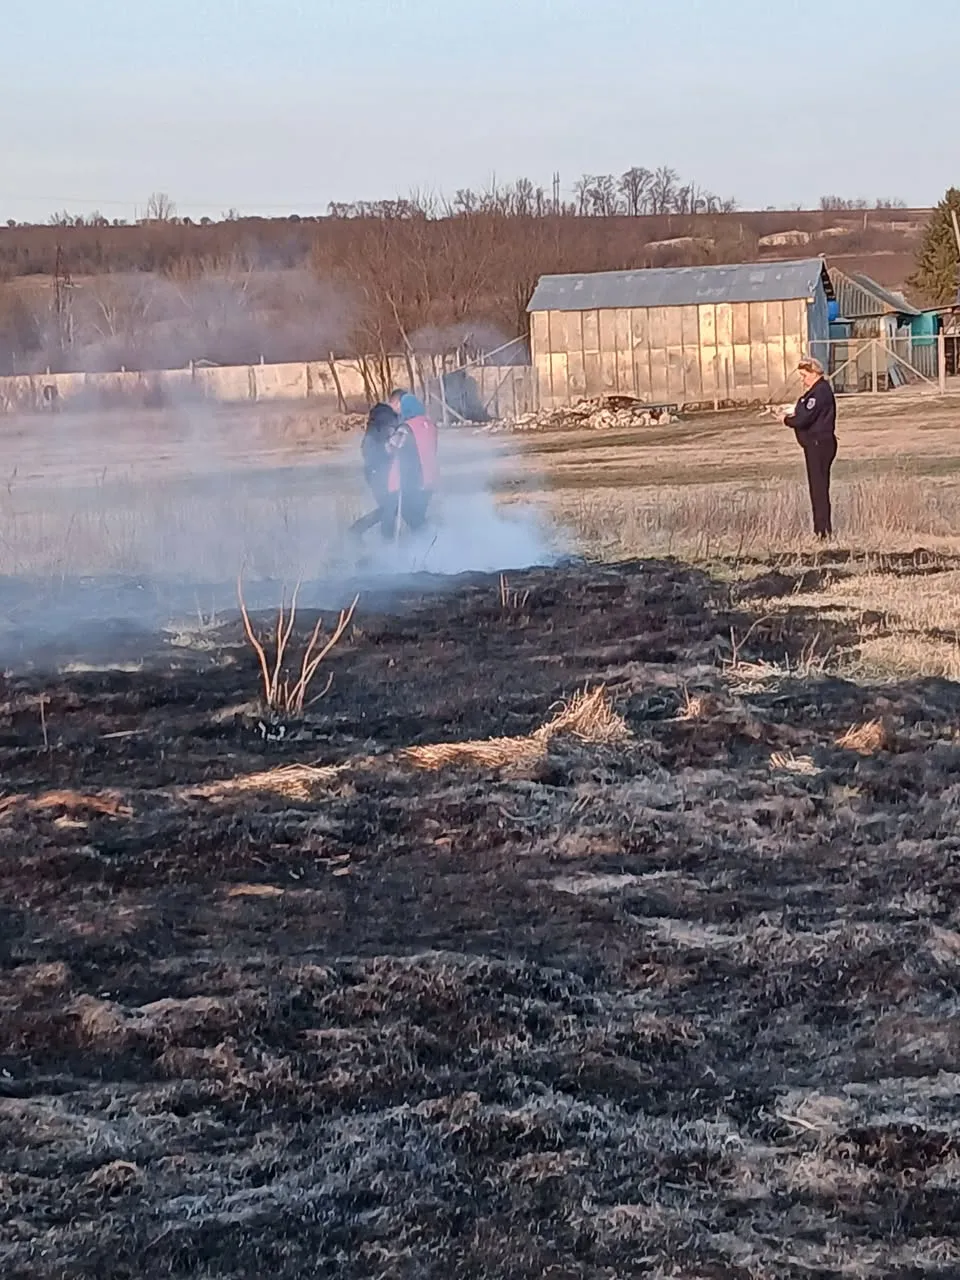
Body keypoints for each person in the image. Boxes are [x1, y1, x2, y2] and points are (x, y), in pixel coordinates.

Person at [784, 356, 837, 540]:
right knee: (819, 488)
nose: (803, 380)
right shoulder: (817, 391)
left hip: (818, 444)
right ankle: (823, 529)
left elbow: (804, 418)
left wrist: (786, 420)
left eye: (804, 376)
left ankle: (822, 531)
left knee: (818, 489)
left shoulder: (819, 393)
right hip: (818, 443)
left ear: (814, 373)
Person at [385, 389, 438, 532]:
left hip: (413, 480)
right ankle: (428, 540)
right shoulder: (430, 425)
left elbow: (391, 447)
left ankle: (431, 536)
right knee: (418, 515)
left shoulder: (406, 427)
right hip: (430, 478)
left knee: (410, 515)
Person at [349, 401, 400, 540]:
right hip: (376, 476)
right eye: (390, 425)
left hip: (378, 475)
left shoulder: (377, 433)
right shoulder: (372, 437)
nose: (392, 428)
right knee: (388, 508)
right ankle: (381, 536)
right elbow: (371, 455)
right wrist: (387, 450)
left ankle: (361, 530)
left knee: (388, 508)